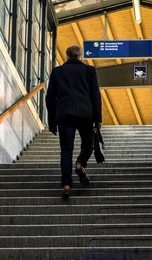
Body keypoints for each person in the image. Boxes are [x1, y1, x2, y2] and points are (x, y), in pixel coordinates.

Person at [46, 45, 102, 199]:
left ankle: (66, 185)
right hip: (85, 115)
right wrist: (97, 119)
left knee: (66, 151)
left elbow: (50, 98)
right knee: (88, 145)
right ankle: (80, 163)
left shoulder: (57, 72)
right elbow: (95, 96)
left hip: (64, 115)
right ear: (80, 56)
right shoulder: (90, 71)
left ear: (67, 56)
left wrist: (52, 121)